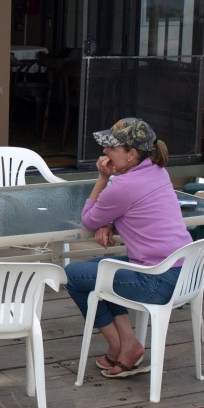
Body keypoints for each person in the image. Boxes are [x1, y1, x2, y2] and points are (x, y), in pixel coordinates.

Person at [64, 117, 192, 378]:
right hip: (185, 272)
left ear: (131, 154)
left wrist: (101, 178)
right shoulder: (158, 171)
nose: (105, 152)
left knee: (72, 276)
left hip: (157, 280)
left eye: (112, 147)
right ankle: (128, 343)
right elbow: (135, 210)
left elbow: (89, 220)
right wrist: (111, 220)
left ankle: (119, 345)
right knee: (92, 268)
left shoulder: (121, 186)